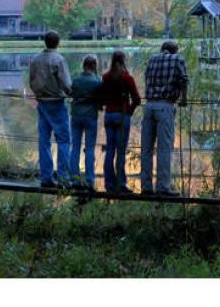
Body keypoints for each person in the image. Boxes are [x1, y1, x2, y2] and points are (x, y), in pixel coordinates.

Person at [140, 41, 188, 196]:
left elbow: (146, 77)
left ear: (162, 50)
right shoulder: (177, 59)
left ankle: (146, 187)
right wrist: (184, 99)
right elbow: (184, 79)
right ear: (174, 51)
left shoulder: (152, 59)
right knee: (164, 148)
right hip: (165, 106)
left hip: (149, 106)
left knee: (146, 149)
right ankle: (163, 188)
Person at [29, 30, 73, 189]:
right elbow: (67, 84)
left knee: (44, 140)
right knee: (64, 140)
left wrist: (38, 93)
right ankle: (63, 177)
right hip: (56, 103)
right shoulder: (58, 60)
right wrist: (71, 94)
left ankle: (46, 177)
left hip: (42, 103)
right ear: (58, 42)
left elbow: (31, 81)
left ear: (45, 42)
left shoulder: (35, 59)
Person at [100, 51, 141, 194]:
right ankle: (121, 184)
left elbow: (102, 97)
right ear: (124, 61)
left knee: (110, 150)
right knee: (121, 152)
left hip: (109, 116)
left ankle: (108, 184)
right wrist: (129, 112)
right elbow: (137, 99)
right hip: (122, 116)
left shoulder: (105, 77)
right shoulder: (127, 78)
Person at [69, 55, 101, 192]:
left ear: (83, 65)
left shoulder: (75, 80)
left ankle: (74, 179)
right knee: (89, 149)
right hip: (90, 117)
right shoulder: (97, 82)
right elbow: (100, 101)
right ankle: (89, 180)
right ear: (94, 66)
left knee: (75, 147)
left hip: (76, 115)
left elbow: (71, 94)